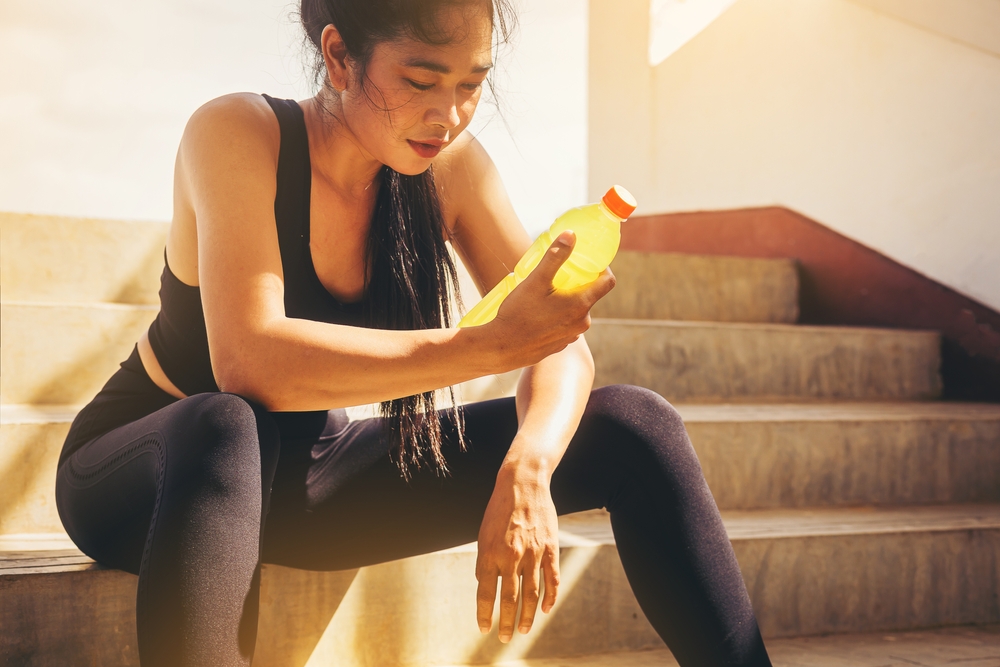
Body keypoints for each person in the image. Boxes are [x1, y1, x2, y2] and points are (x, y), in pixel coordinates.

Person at [54, 1, 773, 665]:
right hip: (153, 473)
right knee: (226, 421)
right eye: (422, 80)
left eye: (471, 84)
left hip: (309, 480)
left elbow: (563, 349)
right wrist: (481, 348)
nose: (449, 114)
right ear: (339, 57)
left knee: (635, 424)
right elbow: (250, 361)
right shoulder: (238, 133)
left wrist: (530, 465)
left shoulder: (449, 172)